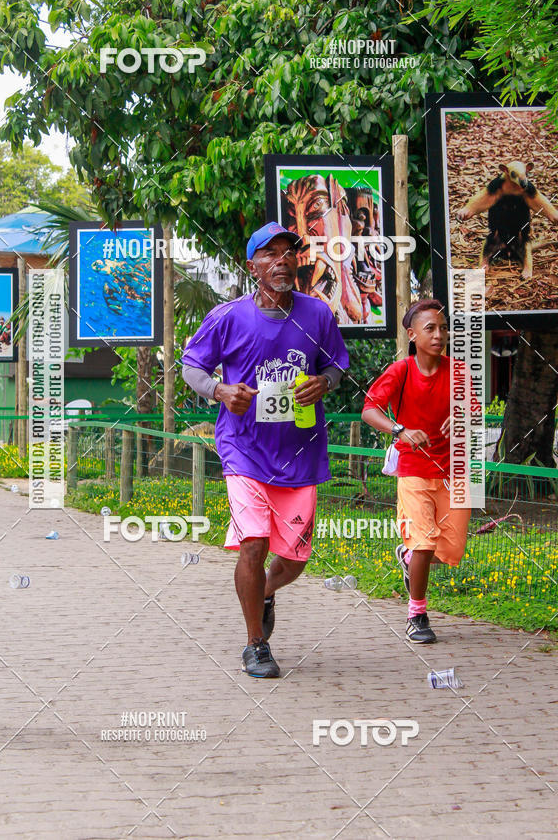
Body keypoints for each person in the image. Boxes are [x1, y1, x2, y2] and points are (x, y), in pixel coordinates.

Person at [182, 222, 349, 678]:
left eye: (288, 252)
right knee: (253, 542)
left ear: (297, 261)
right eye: (269, 254)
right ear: (252, 266)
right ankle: (256, 644)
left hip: (300, 450)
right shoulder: (227, 317)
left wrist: (324, 383)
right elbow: (192, 367)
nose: (281, 260)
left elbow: (336, 366)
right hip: (244, 449)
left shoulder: (317, 315)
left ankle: (268, 592)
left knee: (294, 556)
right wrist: (219, 391)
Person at [361, 299, 474, 644]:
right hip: (413, 469)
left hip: (453, 471)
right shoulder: (401, 371)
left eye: (442, 328)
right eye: (430, 329)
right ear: (412, 335)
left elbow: (473, 411)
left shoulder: (459, 371)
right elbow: (369, 410)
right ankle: (417, 614)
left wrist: (463, 418)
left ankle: (408, 557)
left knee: (449, 551)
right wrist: (400, 430)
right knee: (425, 542)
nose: (439, 335)